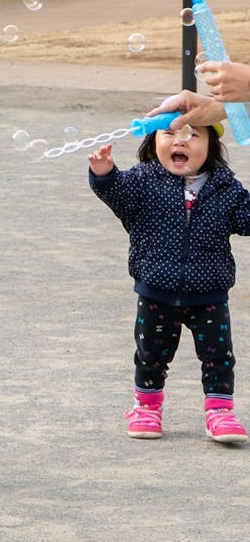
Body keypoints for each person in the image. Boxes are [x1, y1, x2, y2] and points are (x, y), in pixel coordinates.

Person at [88, 121, 250, 444]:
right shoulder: (142, 181)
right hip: (156, 292)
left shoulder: (224, 188)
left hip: (209, 294)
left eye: (193, 135)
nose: (182, 141)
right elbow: (116, 194)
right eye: (171, 134)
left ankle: (219, 411)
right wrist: (105, 173)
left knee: (219, 355)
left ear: (211, 147)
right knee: (150, 353)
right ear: (153, 142)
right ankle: (146, 406)